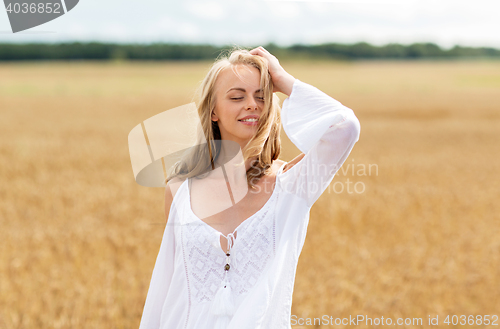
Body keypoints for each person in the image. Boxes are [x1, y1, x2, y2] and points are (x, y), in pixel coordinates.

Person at [138, 46, 361, 329]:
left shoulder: (292, 186)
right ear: (213, 111)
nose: (252, 104)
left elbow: (345, 127)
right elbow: (165, 286)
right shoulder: (179, 189)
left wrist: (281, 79)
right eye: (236, 96)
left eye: (261, 96)